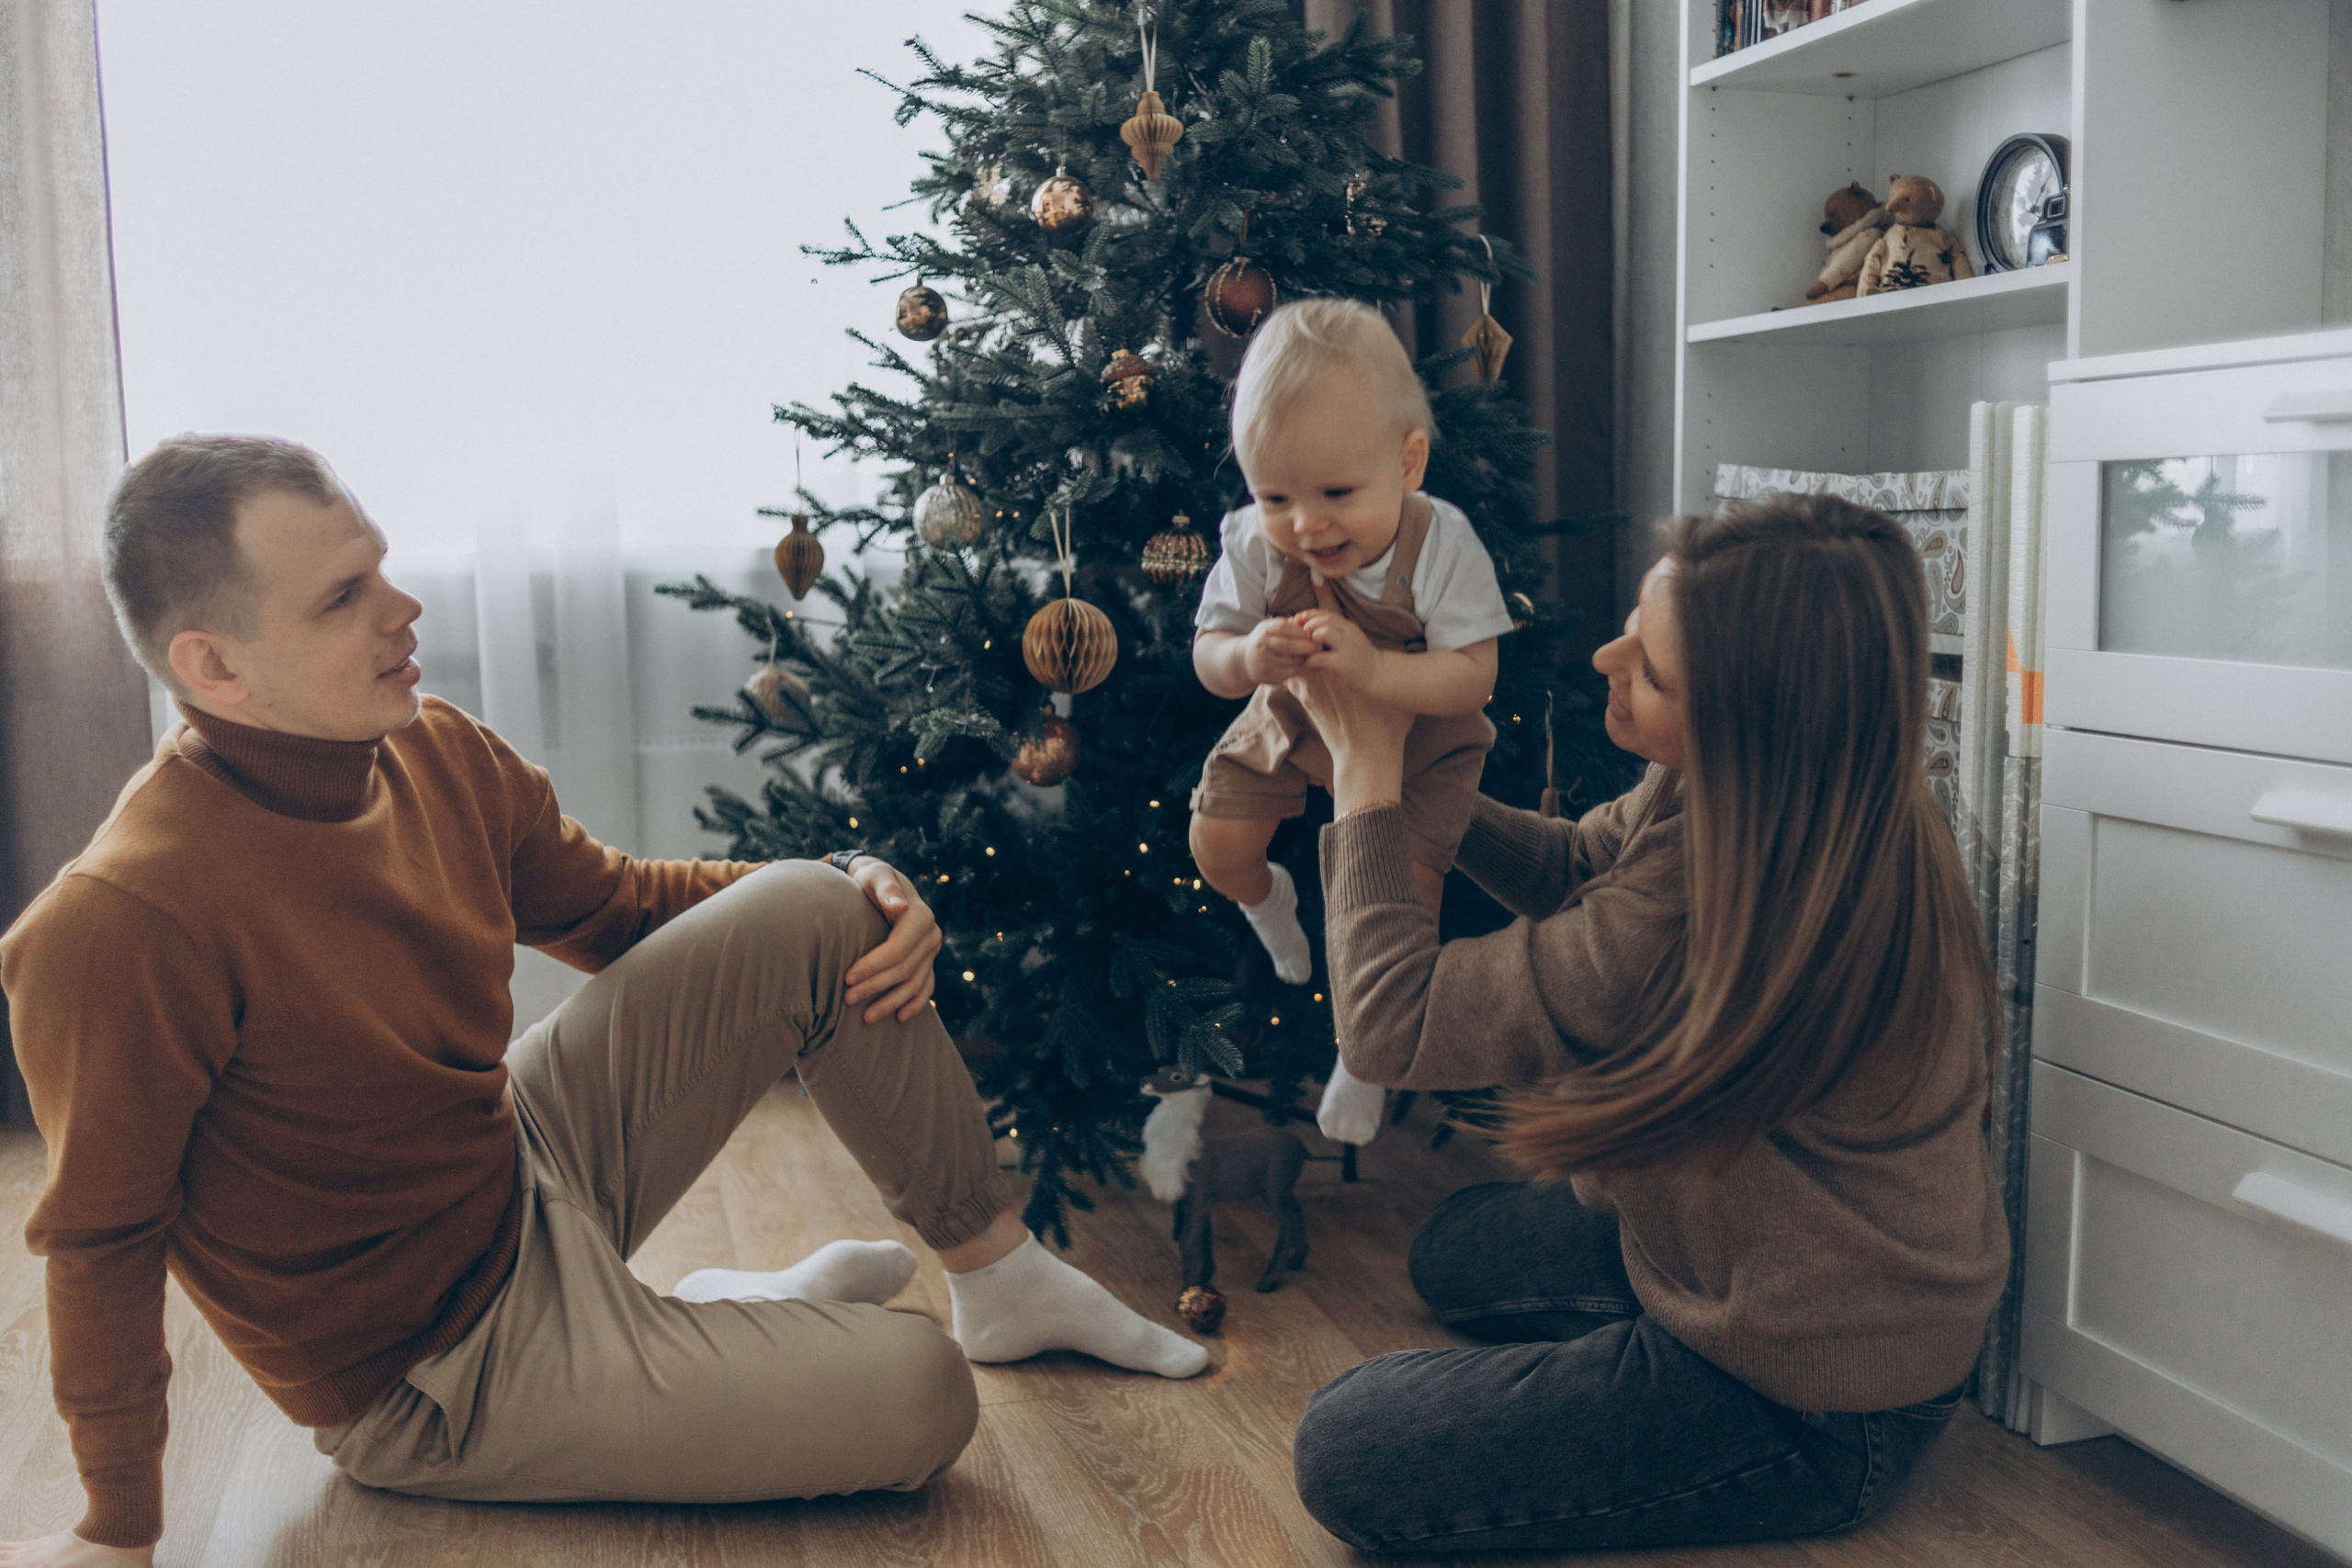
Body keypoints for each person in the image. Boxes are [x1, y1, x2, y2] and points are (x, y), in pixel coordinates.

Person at [0, 435, 1206, 1568]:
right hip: (432, 1368)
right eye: (342, 596)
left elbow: (621, 906)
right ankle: (697, 1333)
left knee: (819, 904)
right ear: (213, 665)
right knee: (919, 1394)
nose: (402, 607)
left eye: (380, 564)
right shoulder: (121, 921)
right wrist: (118, 1529)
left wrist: (863, 884)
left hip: (512, 1165)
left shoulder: (433, 750)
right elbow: (101, 1244)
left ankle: (996, 1277)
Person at [1283, 494, 2010, 1554]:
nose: (1605, 657)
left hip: (1816, 1396)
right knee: (1451, 1254)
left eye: (1653, 671)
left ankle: (1690, 1388)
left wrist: (1364, 783)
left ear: (1751, 720)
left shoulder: (1704, 895)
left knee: (1345, 1449)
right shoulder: (1805, 787)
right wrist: (1415, 779)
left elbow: (1392, 1031)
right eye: (1636, 619)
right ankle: (1647, 1324)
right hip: (1776, 1256)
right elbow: (1584, 867)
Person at [1187, 298, 1515, 1145]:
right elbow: (1210, 656)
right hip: (1296, 710)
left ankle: (1363, 1051)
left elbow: (1474, 677)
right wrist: (1249, 655)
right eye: (1276, 494)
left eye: (1336, 491)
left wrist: (1375, 670)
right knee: (1215, 845)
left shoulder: (1442, 544)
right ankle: (1271, 902)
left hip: (1420, 736)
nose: (1306, 524)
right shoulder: (1259, 545)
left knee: (1401, 896)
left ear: (1408, 463)